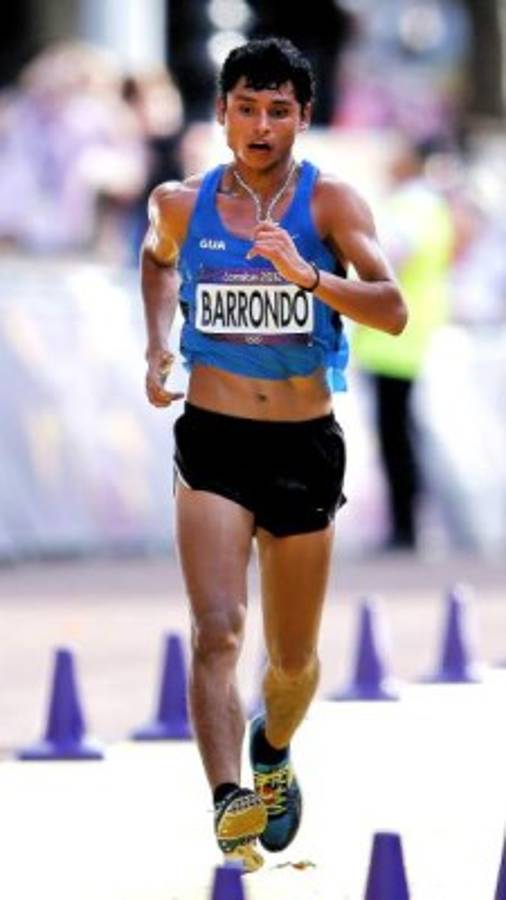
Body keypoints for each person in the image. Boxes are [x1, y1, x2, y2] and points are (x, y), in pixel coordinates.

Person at [141, 37, 407, 872]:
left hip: (302, 445)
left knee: (291, 663)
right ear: (221, 113)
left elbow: (393, 308)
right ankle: (229, 798)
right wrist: (156, 344)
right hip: (213, 439)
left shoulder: (331, 203)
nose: (261, 126)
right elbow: (155, 262)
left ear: (303, 117)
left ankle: (274, 746)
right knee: (217, 631)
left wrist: (309, 277)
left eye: (279, 110)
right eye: (247, 108)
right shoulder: (180, 204)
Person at [353, 136, 454, 551]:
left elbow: (392, 257)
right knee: (401, 434)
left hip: (393, 338)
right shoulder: (432, 205)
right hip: (405, 335)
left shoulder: (412, 205)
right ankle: (406, 524)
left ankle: (405, 528)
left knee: (396, 437)